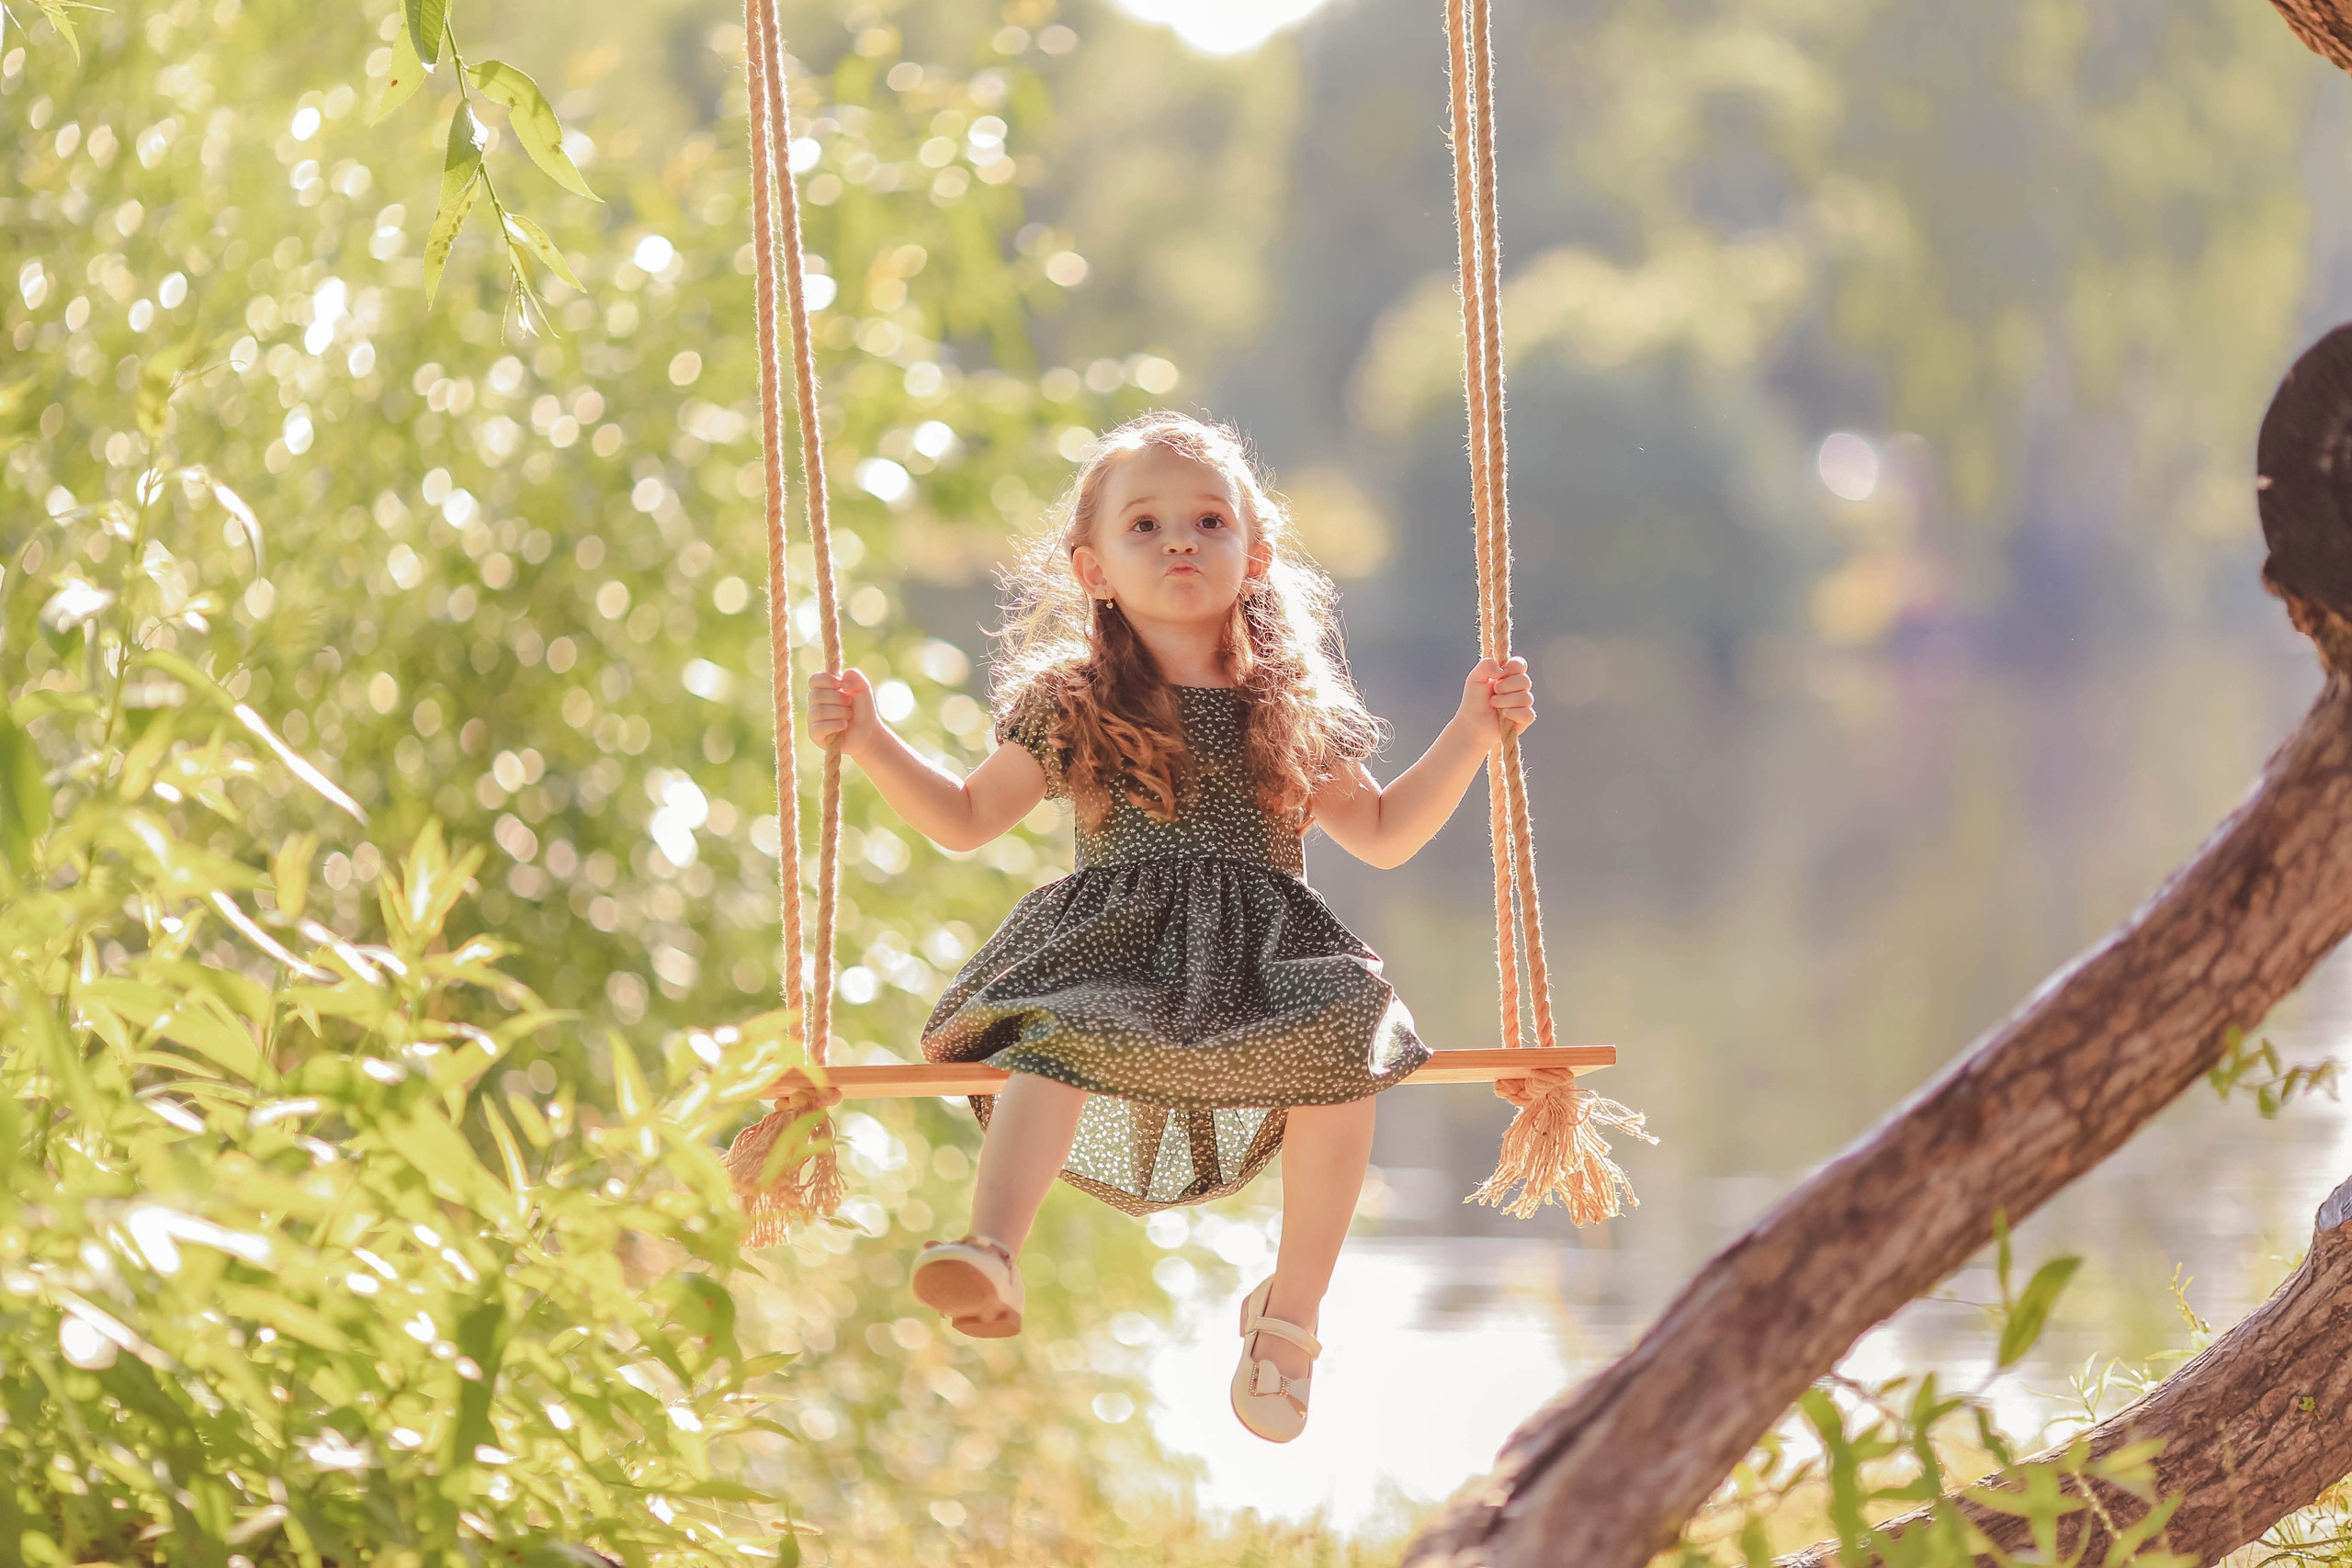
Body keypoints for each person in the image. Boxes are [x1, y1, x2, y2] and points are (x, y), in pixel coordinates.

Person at [804, 410, 1535, 1442]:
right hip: (1116, 949)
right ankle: (991, 1253)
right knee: (1058, 1034)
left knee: (1352, 1048)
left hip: (1268, 962)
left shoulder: (1287, 702)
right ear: (1093, 567)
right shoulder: (1070, 702)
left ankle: (1291, 1314)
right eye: (1144, 527)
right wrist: (872, 742)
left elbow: (1380, 832)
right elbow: (966, 820)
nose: (1180, 541)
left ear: (1255, 554)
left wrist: (1470, 735)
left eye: (1206, 521)